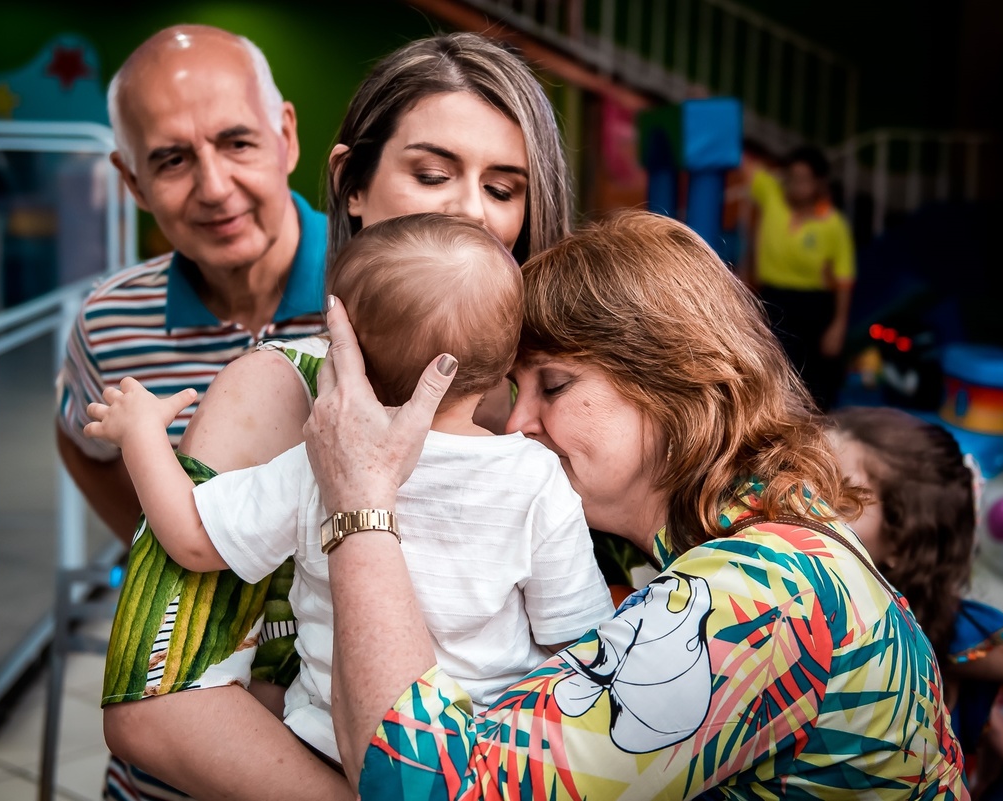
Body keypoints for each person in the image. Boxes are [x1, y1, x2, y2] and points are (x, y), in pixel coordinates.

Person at [297, 209, 966, 797]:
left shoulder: (763, 591)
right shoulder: (744, 548)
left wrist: (360, 499)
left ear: (672, 380)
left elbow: (435, 790)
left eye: (553, 385)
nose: (516, 423)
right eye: (514, 387)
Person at [100, 32, 584, 800]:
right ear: (352, 185)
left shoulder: (564, 395)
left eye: (503, 188)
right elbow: (151, 702)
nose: (468, 211)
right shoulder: (279, 388)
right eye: (431, 174)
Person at [86, 213, 613, 765]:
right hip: (481, 754)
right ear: (509, 360)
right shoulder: (536, 476)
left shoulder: (322, 464)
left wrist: (142, 435)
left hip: (328, 744)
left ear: (346, 354)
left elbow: (191, 538)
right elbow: (577, 642)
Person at [51, 24, 331, 800]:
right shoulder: (109, 323)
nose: (213, 187)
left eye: (237, 142)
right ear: (132, 182)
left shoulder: (385, 287)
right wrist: (168, 536)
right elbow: (78, 438)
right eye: (172, 160)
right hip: (169, 772)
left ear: (286, 136)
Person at [827, 406, 1003, 798]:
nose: (806, 510)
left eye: (843, 502)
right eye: (801, 482)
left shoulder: (942, 631)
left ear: (904, 540)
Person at [744, 145, 855, 411]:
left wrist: (838, 326)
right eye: (792, 177)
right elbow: (744, 162)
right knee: (774, 373)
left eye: (804, 179)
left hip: (815, 307)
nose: (797, 185)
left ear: (818, 182)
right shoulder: (772, 196)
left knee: (816, 381)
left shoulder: (833, 224)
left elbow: (844, 279)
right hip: (773, 298)